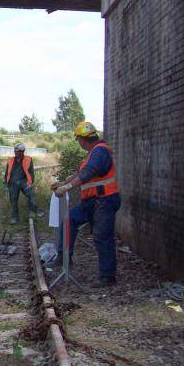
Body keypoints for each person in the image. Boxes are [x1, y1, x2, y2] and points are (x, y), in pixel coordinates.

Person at [51, 121, 121, 287]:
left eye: (78, 140)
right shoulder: (93, 153)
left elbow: (90, 172)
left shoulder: (100, 151)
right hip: (91, 201)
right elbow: (81, 172)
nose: (79, 143)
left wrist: (67, 187)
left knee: (102, 236)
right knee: (69, 220)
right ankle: (64, 257)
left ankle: (107, 277)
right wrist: (63, 181)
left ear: (82, 139)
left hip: (104, 201)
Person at [5, 142, 36, 224]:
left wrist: (31, 182)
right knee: (13, 200)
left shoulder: (28, 159)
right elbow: (7, 172)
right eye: (15, 150)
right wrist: (6, 183)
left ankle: (32, 212)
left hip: (24, 182)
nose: (15, 152)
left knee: (31, 194)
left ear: (22, 152)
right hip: (13, 183)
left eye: (17, 151)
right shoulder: (11, 160)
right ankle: (14, 218)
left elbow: (31, 171)